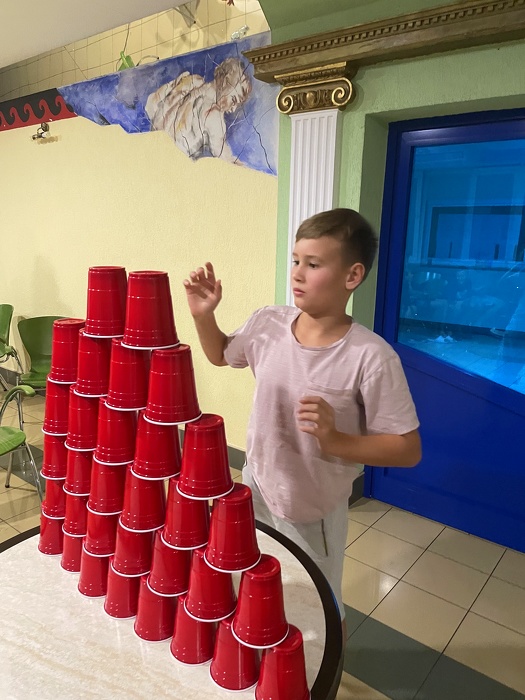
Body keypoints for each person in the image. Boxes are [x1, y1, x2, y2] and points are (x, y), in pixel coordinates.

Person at [183, 208, 421, 633]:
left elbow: (407, 448)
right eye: (296, 260)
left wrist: (336, 440)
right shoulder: (268, 323)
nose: (297, 273)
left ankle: (328, 668)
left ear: (352, 276)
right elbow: (220, 354)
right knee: (256, 584)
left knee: (320, 608)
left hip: (313, 509)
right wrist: (204, 315)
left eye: (313, 264)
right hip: (256, 488)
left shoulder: (371, 356)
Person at [145, 57, 252, 163]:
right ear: (225, 82)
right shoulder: (214, 115)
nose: (233, 109)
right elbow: (225, 159)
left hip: (154, 152)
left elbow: (152, 104)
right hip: (174, 163)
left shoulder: (193, 81)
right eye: (233, 100)